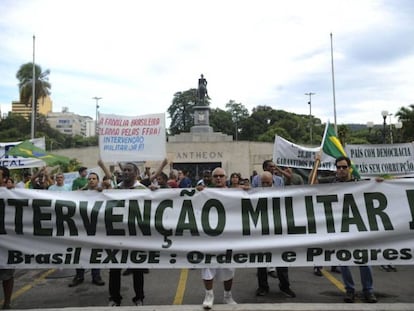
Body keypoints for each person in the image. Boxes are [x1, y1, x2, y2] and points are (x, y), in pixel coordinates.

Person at [332, 156, 377, 303]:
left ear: (349, 168)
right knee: (344, 262)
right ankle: (349, 290)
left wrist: (380, 183)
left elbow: (374, 189)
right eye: (339, 167)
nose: (341, 170)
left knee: (364, 261)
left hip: (359, 229)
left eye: (344, 167)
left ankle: (368, 291)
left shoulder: (360, 183)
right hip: (341, 230)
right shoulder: (330, 186)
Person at [108, 162, 147, 307]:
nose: (125, 172)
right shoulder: (114, 190)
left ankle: (139, 297)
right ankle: (114, 298)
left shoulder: (143, 190)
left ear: (136, 173)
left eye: (129, 170)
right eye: (124, 170)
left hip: (135, 236)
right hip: (117, 236)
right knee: (115, 268)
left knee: (137, 269)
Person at [199, 167, 237, 309]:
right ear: (212, 178)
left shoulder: (235, 193)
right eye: (216, 176)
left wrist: (248, 189)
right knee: (207, 266)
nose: (219, 178)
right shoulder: (204, 193)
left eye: (221, 176)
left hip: (228, 237)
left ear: (225, 177)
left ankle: (227, 296)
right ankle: (209, 295)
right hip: (210, 237)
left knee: (229, 268)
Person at [255, 171, 296, 298]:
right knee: (261, 261)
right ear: (260, 182)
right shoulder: (254, 194)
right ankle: (262, 287)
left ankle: (285, 286)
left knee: (281, 260)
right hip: (262, 232)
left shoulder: (281, 193)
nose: (266, 185)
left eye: (268, 182)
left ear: (272, 181)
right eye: (263, 183)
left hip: (278, 232)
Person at [68, 172, 105, 288]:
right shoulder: (80, 194)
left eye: (94, 178)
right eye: (89, 179)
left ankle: (96, 276)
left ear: (98, 180)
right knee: (80, 252)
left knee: (95, 252)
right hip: (82, 228)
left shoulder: (103, 193)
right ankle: (79, 275)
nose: (91, 180)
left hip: (96, 228)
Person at [0, 166, 14, 309]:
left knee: (7, 274)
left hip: (6, 241)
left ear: (4, 178)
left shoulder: (13, 194)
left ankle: (7, 302)